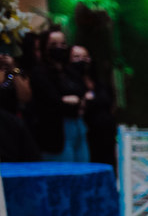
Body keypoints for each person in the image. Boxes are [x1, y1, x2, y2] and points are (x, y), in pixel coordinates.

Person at [28, 28, 90, 162]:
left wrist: (73, 100)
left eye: (63, 44)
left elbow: (82, 93)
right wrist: (67, 101)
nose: (59, 48)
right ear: (45, 48)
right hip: (55, 132)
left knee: (83, 169)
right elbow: (52, 101)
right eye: (54, 45)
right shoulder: (39, 73)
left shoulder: (69, 71)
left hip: (78, 125)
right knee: (64, 172)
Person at [71, 45, 116, 167]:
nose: (82, 60)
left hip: (106, 136)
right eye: (77, 57)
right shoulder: (70, 83)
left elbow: (111, 105)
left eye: (85, 57)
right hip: (86, 136)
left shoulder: (99, 82)